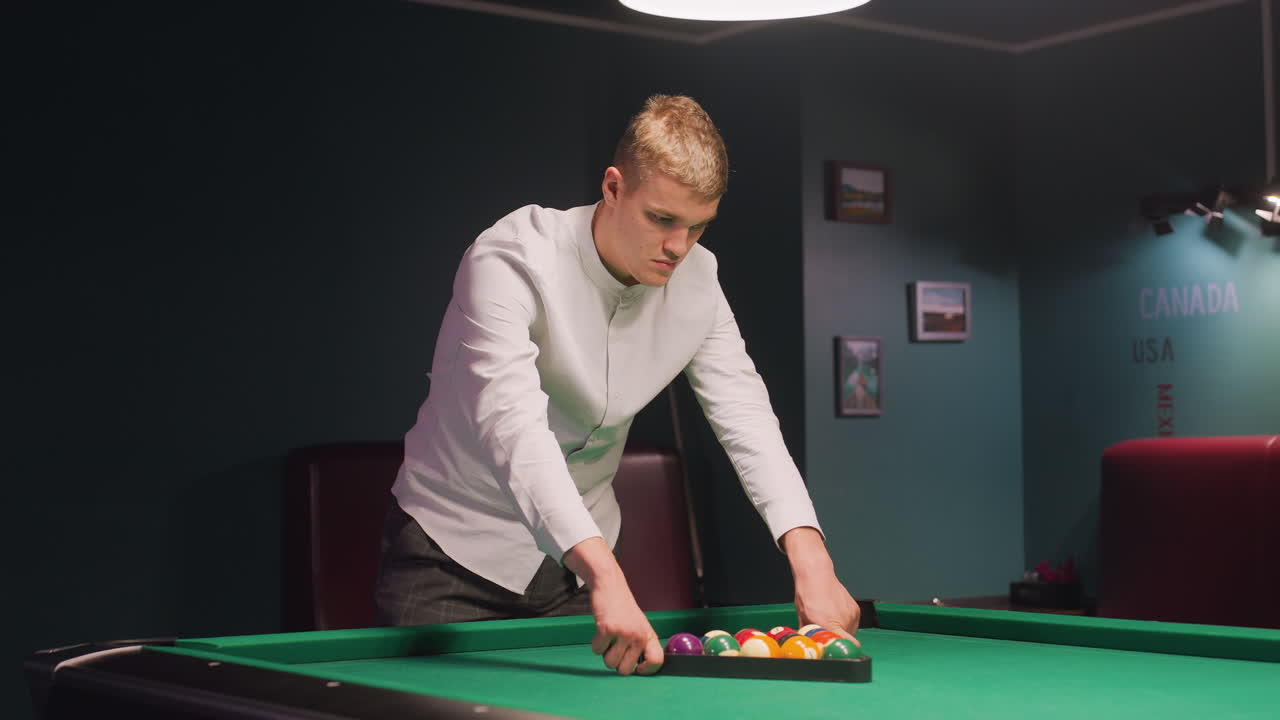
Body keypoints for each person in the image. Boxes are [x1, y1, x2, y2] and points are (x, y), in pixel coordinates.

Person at [374, 94, 860, 676]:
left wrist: (812, 559)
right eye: (662, 219)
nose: (678, 247)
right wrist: (607, 574)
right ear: (612, 187)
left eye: (698, 226)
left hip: (576, 571)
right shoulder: (510, 258)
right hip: (451, 558)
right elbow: (514, 431)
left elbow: (746, 415)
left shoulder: (698, 279)